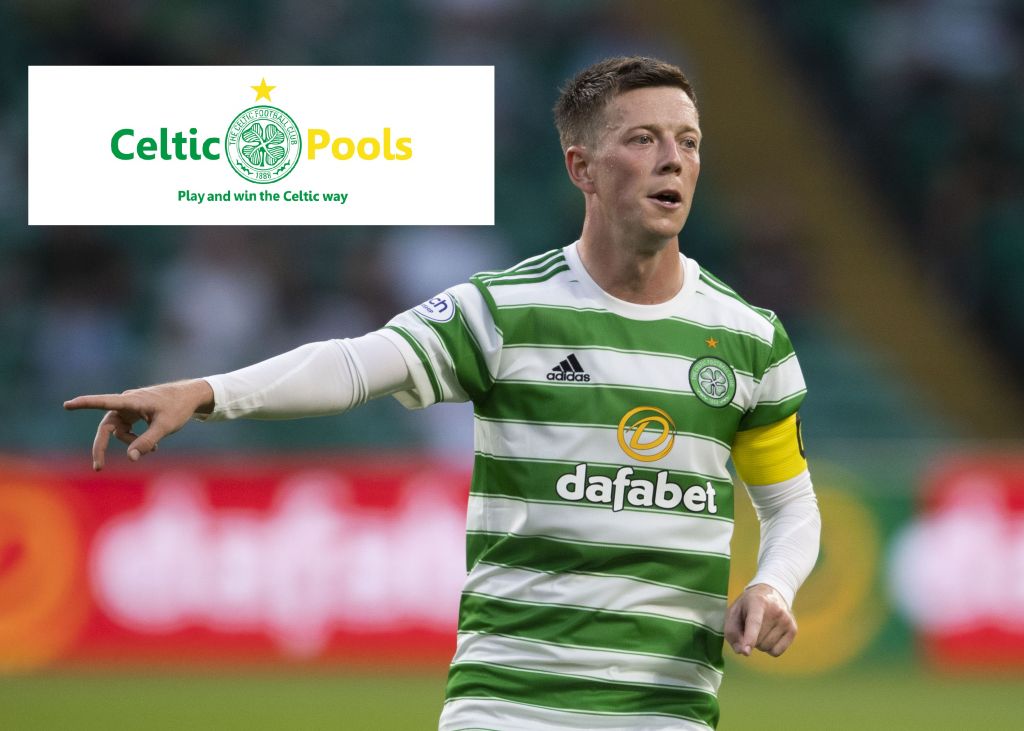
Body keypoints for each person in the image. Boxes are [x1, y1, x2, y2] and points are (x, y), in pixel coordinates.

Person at [66, 56, 821, 730]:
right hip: (507, 706)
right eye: (643, 139)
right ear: (582, 168)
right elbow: (356, 365)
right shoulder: (503, 312)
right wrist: (206, 391)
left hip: (666, 712)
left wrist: (773, 584)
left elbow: (790, 504)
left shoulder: (749, 338)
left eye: (688, 141)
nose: (673, 159)